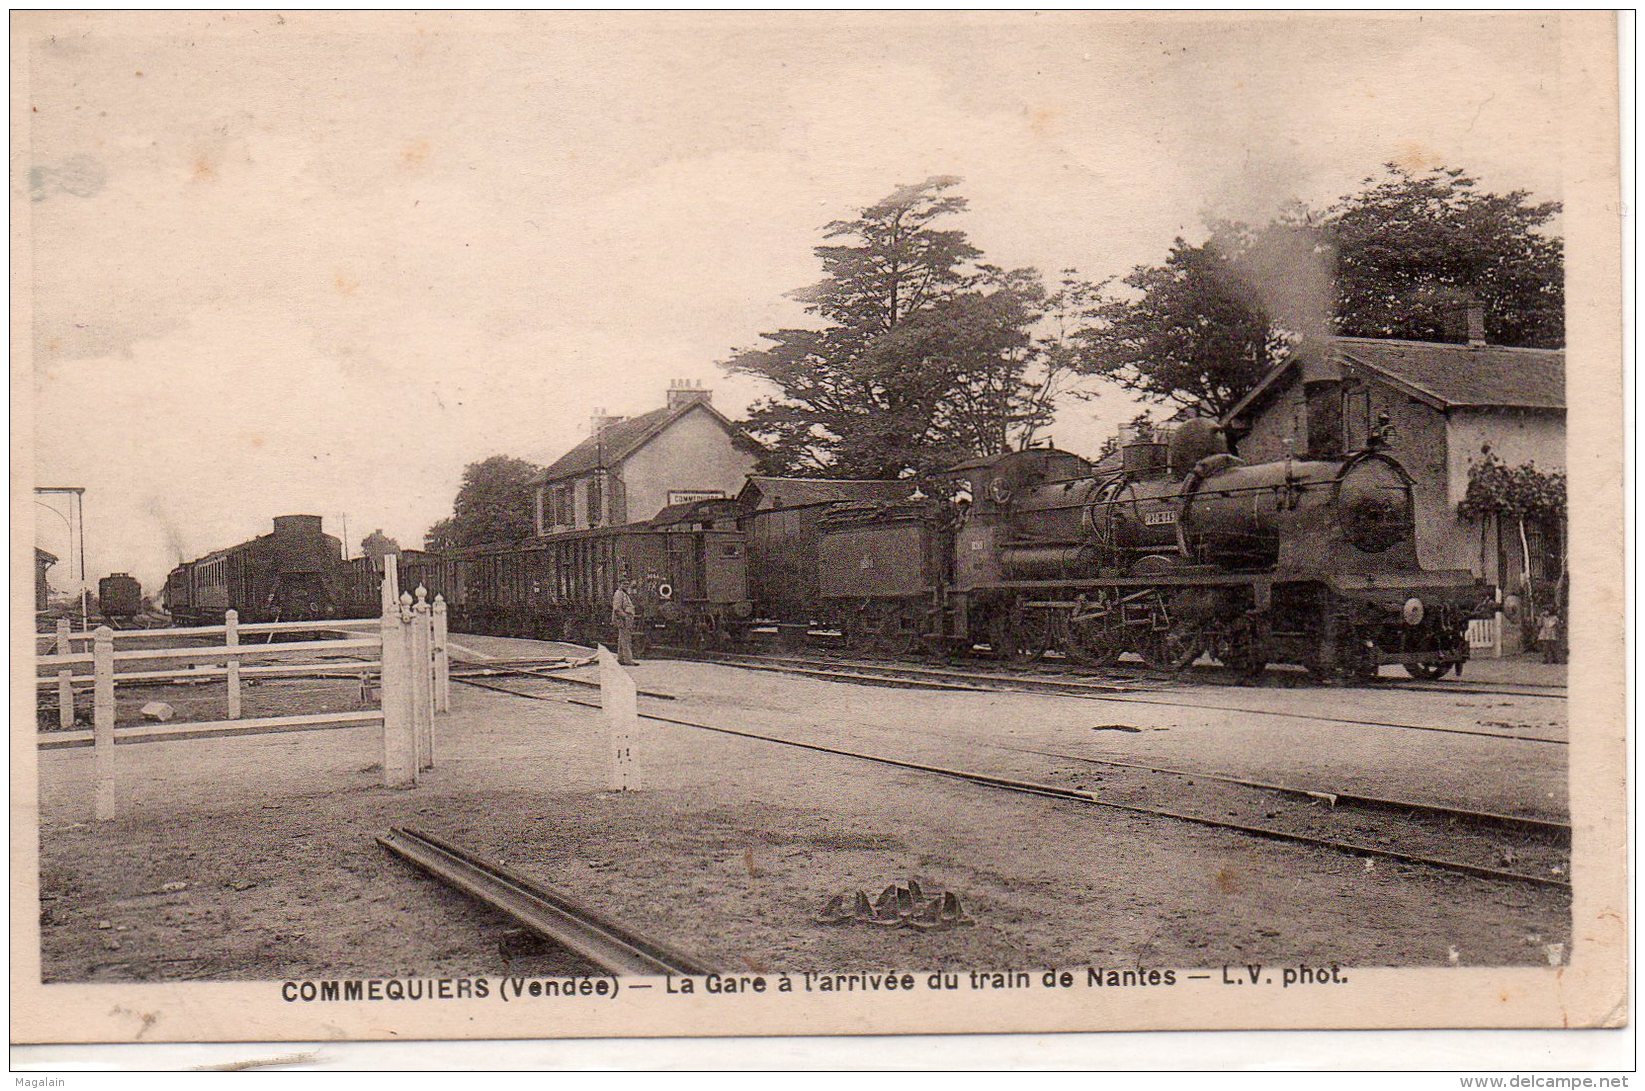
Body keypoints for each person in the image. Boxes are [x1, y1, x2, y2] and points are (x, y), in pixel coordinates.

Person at [611, 579, 639, 666]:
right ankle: (628, 660)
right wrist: (625, 617)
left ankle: (621, 659)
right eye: (624, 584)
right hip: (623, 620)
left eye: (627, 584)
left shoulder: (624, 594)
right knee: (626, 640)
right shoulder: (619, 594)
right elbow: (617, 608)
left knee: (622, 639)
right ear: (619, 584)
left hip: (624, 619)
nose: (626, 586)